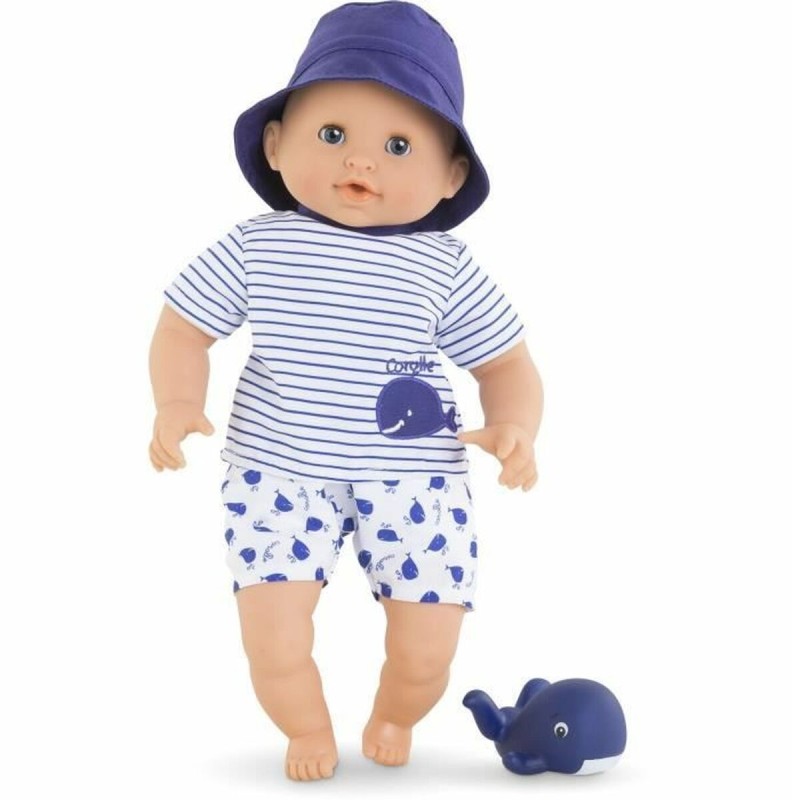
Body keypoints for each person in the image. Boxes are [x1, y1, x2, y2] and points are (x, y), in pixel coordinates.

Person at [149, 1, 543, 782]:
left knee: (428, 646)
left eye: (399, 146)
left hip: (417, 478)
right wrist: (176, 402)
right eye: (332, 134)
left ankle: (395, 713)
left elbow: (506, 364)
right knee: (273, 637)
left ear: (451, 175)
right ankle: (306, 727)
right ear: (276, 143)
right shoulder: (259, 245)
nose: (361, 161)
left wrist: (515, 425)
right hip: (279, 470)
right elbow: (182, 328)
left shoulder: (444, 264)